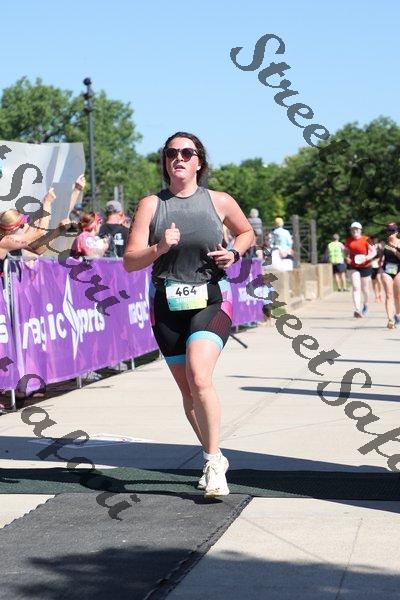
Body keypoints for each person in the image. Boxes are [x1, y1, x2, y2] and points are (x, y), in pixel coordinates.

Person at [123, 131, 254, 497]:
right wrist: (159, 247)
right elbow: (130, 261)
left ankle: (212, 463)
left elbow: (245, 232)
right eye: (171, 153)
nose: (178, 158)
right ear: (165, 162)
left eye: (186, 152)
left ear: (199, 162)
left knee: (199, 375)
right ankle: (216, 455)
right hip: (166, 304)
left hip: (211, 298)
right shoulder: (151, 205)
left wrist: (234, 253)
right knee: (188, 391)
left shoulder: (219, 200)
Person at [344, 222, 376, 318]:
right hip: (353, 266)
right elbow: (345, 252)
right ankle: (357, 309)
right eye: (353, 229)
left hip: (365, 266)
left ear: (360, 230)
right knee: (355, 286)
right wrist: (346, 258)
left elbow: (374, 252)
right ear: (351, 230)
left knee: (365, 289)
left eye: (356, 229)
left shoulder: (368, 239)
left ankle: (365, 304)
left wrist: (366, 258)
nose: (355, 231)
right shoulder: (348, 240)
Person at [380, 222, 400, 329]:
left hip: (398, 270)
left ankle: (398, 315)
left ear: (397, 232)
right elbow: (379, 257)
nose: (390, 233)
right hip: (386, 270)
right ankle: (390, 319)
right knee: (388, 294)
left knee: (398, 295)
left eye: (392, 231)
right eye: (389, 231)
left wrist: (395, 250)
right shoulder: (383, 244)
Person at [370, 236, 384, 303]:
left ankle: (380, 293)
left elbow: (383, 255)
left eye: (375, 240)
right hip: (372, 265)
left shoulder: (379, 246)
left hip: (379, 265)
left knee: (379, 279)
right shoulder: (370, 247)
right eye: (373, 240)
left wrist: (380, 260)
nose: (374, 241)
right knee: (374, 281)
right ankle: (376, 295)